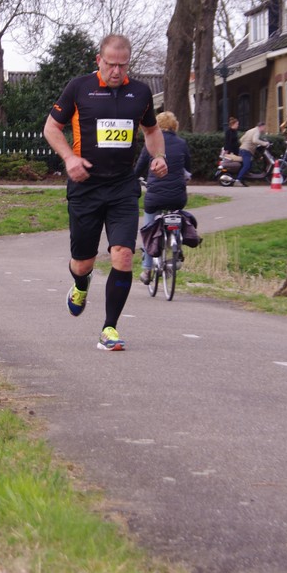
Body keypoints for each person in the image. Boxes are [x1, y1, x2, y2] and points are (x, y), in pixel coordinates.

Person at [43, 33, 168, 352]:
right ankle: (80, 284)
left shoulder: (140, 93)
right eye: (110, 64)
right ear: (99, 60)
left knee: (123, 255)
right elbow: (51, 128)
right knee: (83, 263)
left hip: (123, 186)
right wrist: (69, 158)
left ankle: (109, 328)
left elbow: (152, 130)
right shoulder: (79, 88)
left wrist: (159, 156)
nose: (116, 71)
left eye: (122, 65)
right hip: (85, 186)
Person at [135, 111, 191, 285]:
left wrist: (134, 179)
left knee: (149, 229)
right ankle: (176, 246)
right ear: (174, 126)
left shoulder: (151, 144)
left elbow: (139, 168)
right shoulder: (182, 143)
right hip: (177, 196)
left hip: (155, 196)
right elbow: (188, 167)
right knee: (176, 214)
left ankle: (147, 269)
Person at [235, 122, 269, 186]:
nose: (264, 129)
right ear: (261, 126)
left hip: (242, 149)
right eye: (264, 127)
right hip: (247, 150)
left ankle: (242, 180)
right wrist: (264, 143)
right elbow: (255, 140)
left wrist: (247, 144)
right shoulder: (257, 131)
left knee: (248, 165)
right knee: (247, 165)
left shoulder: (250, 130)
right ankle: (238, 180)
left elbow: (241, 140)